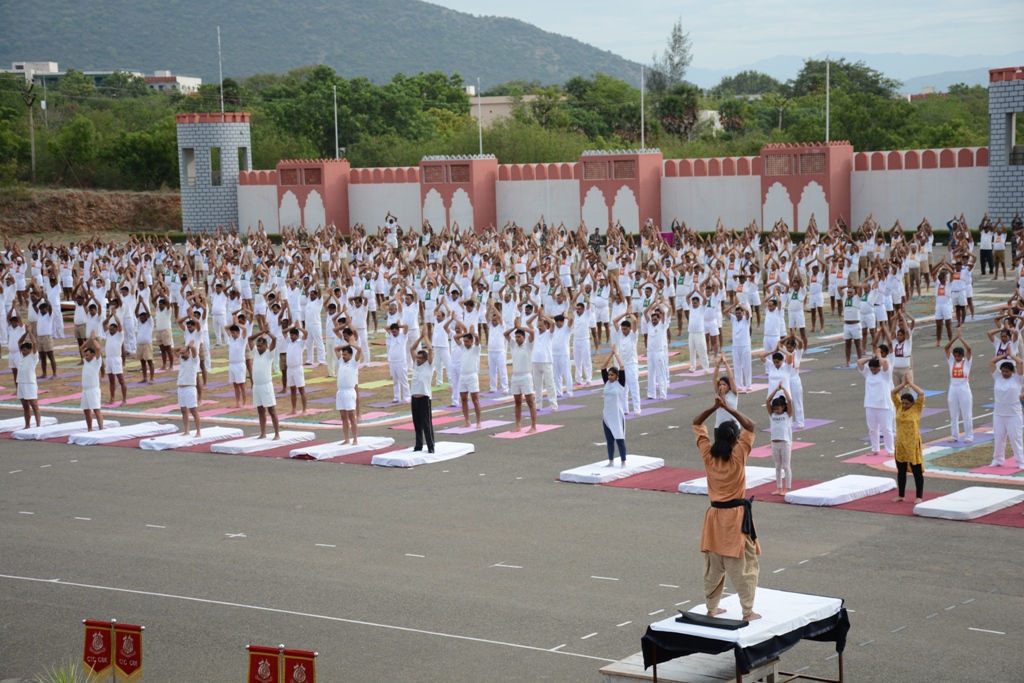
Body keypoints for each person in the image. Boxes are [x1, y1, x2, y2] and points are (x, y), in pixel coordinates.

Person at [692, 397, 760, 622]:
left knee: (713, 565)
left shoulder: (708, 456)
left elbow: (696, 423)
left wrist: (714, 407)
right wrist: (728, 408)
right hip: (734, 518)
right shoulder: (738, 455)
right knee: (743, 566)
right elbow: (751, 426)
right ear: (735, 440)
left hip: (714, 517)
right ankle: (747, 612)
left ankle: (712, 608)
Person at [890, 377, 926, 502]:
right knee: (901, 470)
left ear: (912, 403)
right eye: (903, 403)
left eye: (907, 403)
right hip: (900, 444)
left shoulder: (916, 409)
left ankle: (919, 496)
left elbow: (921, 394)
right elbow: (893, 393)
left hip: (912, 445)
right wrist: (903, 384)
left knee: (916, 471)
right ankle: (901, 495)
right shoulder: (899, 407)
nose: (904, 405)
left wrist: (910, 383)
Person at [989, 351, 1024, 468]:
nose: (1004, 373)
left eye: (1007, 371)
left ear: (1012, 371)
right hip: (999, 414)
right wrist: (1004, 356)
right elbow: (992, 362)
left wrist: (1011, 355)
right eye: (1003, 371)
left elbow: (1020, 363)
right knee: (999, 438)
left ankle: (1020, 462)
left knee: (1016, 439)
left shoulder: (1017, 379)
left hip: (1014, 415)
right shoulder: (998, 377)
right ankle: (998, 460)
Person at [504, 321, 538, 433]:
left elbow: (532, 332)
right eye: (516, 336)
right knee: (517, 402)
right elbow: (505, 334)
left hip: (526, 376)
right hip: (515, 376)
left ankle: (533, 426)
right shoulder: (513, 345)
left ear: (524, 337)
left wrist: (520, 327)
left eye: (519, 337)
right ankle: (518, 425)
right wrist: (514, 327)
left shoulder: (528, 345)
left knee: (530, 401)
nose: (517, 338)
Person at [858, 353, 895, 454]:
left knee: (886, 429)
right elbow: (859, 362)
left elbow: (886, 362)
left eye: (875, 369)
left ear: (880, 366)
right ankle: (875, 449)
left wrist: (878, 358)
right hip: (870, 405)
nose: (873, 371)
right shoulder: (868, 373)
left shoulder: (885, 374)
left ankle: (890, 450)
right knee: (872, 429)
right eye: (872, 369)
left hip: (884, 406)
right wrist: (871, 358)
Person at [249, 329, 280, 440]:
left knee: (271, 410)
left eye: (261, 346)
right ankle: (263, 433)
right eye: (257, 346)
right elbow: (250, 339)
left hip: (266, 386)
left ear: (266, 346)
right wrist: (260, 331)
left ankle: (277, 434)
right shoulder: (255, 353)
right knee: (260, 411)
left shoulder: (269, 354)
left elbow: (275, 339)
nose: (258, 348)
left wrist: (267, 333)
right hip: (257, 386)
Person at [944, 329, 973, 443]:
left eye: (958, 356)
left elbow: (969, 349)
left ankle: (969, 436)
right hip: (953, 387)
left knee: (967, 413)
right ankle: (954, 436)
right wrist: (955, 338)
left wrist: (961, 338)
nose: (956, 358)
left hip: (964, 387)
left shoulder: (967, 362)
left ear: (962, 355)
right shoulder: (951, 361)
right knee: (953, 413)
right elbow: (946, 348)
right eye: (955, 356)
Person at [601, 348, 627, 466]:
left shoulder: (620, 383)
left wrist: (616, 353)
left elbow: (622, 366)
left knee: (619, 439)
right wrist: (610, 354)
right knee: (609, 440)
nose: (610, 377)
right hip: (607, 415)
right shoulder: (606, 383)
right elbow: (602, 367)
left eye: (612, 375)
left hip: (617, 414)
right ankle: (611, 461)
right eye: (609, 375)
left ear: (617, 376)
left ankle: (623, 462)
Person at [410, 332, 435, 453]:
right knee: (417, 423)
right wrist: (419, 336)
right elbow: (412, 348)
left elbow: (430, 349)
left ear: (425, 359)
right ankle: (418, 445)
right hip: (414, 398)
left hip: (424, 398)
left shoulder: (429, 365)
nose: (417, 359)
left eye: (420, 358)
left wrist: (425, 336)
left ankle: (430, 446)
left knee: (426, 424)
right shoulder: (416, 365)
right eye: (417, 358)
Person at [766, 386, 794, 496]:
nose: (776, 410)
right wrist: (776, 390)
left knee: (786, 466)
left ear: (783, 407)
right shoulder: (772, 415)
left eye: (778, 408)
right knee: (777, 466)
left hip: (785, 443)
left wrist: (784, 389)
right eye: (775, 409)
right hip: (774, 443)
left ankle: (788, 487)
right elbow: (768, 401)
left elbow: (790, 400)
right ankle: (779, 487)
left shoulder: (787, 415)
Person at [335, 341, 362, 445]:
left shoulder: (354, 362)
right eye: (343, 354)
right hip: (340, 391)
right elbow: (336, 349)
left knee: (351, 416)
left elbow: (359, 350)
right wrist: (346, 346)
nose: (343, 356)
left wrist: (351, 345)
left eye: (345, 354)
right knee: (343, 417)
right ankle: (347, 439)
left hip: (350, 391)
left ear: (351, 355)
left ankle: (355, 439)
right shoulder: (341, 361)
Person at [16, 329, 41, 429]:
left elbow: (34, 342)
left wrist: (30, 332)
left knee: (34, 406)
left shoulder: (33, 357)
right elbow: (19, 342)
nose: (23, 351)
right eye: (22, 350)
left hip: (30, 383)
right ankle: (27, 425)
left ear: (30, 350)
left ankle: (38, 425)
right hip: (21, 383)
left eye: (25, 350)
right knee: (25, 407)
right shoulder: (22, 356)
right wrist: (25, 333)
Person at [80, 333, 104, 432]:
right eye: (85, 355)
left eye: (87, 355)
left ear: (93, 355)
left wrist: (94, 339)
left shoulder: (96, 362)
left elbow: (98, 349)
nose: (85, 357)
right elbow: (82, 348)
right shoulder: (86, 361)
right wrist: (89, 340)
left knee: (96, 410)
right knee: (86, 410)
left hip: (93, 390)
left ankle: (101, 429)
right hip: (85, 390)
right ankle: (89, 429)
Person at [176, 341, 202, 437]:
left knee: (193, 411)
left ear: (188, 353)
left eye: (183, 353)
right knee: (183, 410)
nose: (181, 355)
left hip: (190, 388)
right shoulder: (182, 360)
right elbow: (173, 349)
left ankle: (198, 432)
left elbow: (194, 350)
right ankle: (186, 430)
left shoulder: (194, 360)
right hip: (181, 388)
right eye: (181, 353)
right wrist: (182, 348)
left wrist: (189, 346)